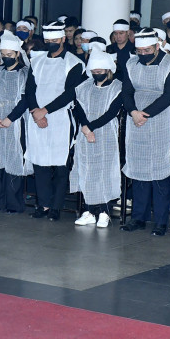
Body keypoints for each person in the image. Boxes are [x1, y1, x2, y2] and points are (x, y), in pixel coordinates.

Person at [120, 28, 170, 236]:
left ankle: (161, 221)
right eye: (139, 51)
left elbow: (169, 96)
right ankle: (139, 217)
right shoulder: (131, 63)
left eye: (147, 50)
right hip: (136, 119)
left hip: (161, 120)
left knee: (160, 172)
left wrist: (144, 114)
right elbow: (127, 91)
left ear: (157, 46)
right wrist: (132, 112)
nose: (143, 54)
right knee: (138, 169)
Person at [25, 21, 84, 221]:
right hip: (36, 117)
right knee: (40, 163)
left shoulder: (74, 63)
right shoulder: (37, 61)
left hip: (60, 119)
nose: (50, 43)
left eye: (53, 40)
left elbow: (70, 93)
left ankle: (56, 206)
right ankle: (43, 204)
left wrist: (45, 111)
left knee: (60, 165)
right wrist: (35, 112)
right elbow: (30, 89)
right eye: (47, 40)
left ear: (61, 39)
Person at [70, 50, 123, 228]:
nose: (97, 73)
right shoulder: (84, 86)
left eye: (101, 69)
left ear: (108, 69)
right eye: (94, 70)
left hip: (106, 132)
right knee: (87, 171)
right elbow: (79, 108)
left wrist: (91, 127)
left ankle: (104, 211)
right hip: (85, 132)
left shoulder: (117, 87)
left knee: (105, 172)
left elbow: (111, 112)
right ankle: (89, 210)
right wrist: (86, 127)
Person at [0, 33, 32, 214]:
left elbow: (25, 100)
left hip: (15, 122)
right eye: (3, 54)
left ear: (17, 54)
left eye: (9, 54)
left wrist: (10, 118)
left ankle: (14, 203)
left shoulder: (24, 73)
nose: (6, 58)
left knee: (14, 160)